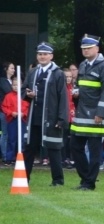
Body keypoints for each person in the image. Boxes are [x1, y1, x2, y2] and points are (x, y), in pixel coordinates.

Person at [70, 34, 104, 191]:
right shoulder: (83, 65)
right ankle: (85, 178)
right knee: (75, 146)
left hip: (96, 114)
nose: (86, 51)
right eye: (83, 48)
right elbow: (81, 85)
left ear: (97, 48)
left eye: (89, 48)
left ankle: (89, 183)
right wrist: (76, 92)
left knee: (95, 151)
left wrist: (101, 112)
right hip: (81, 113)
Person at [23, 42, 69, 187]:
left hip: (51, 117)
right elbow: (23, 89)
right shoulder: (32, 72)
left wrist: (61, 118)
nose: (42, 57)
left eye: (45, 54)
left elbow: (63, 97)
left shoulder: (58, 73)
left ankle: (58, 180)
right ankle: (24, 178)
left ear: (51, 56)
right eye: (40, 54)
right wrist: (28, 94)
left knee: (53, 148)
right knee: (29, 148)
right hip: (34, 117)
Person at [2, 78, 29, 165]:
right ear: (11, 85)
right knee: (11, 139)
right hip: (12, 120)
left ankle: (20, 157)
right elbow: (4, 107)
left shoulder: (25, 96)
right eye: (14, 85)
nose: (16, 87)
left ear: (21, 85)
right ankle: (9, 158)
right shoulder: (8, 96)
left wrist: (24, 114)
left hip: (22, 120)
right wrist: (11, 113)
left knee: (21, 140)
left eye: (18, 85)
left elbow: (28, 107)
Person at [0, 63, 15, 164]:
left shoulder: (12, 81)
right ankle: (5, 156)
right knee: (5, 134)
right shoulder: (2, 81)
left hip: (12, 111)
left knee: (10, 134)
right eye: (12, 68)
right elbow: (9, 91)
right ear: (6, 69)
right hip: (4, 111)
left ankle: (9, 155)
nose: (13, 70)